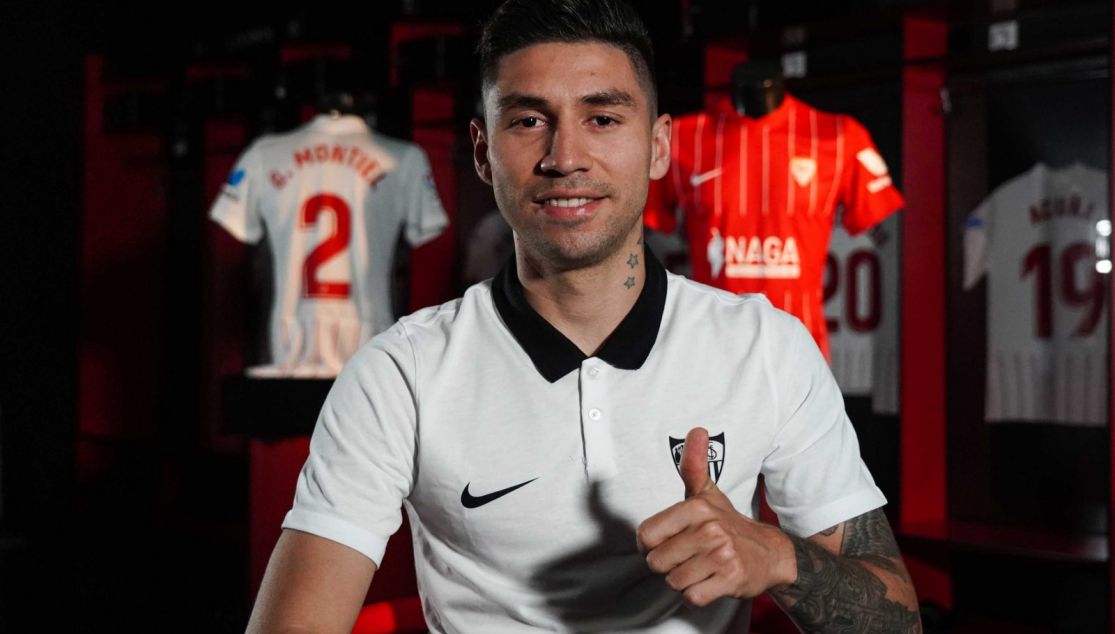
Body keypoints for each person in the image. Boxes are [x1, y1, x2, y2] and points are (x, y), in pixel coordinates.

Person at [245, 0, 922, 632]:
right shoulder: (400, 371)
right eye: (528, 120)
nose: (564, 158)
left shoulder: (766, 346)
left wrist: (777, 558)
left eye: (602, 118)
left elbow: (898, 618)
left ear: (659, 147)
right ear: (482, 151)